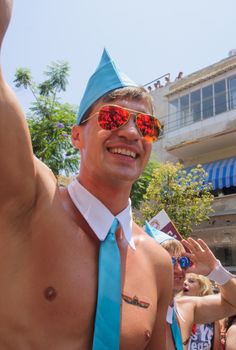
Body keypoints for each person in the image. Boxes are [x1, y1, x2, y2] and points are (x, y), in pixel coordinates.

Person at [0, 1, 173, 349]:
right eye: (111, 118)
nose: (131, 133)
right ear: (77, 136)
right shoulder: (32, 201)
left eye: (145, 125)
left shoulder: (158, 262)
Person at [145, 225, 236, 350]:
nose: (179, 269)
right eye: (170, 262)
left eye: (182, 261)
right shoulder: (137, 313)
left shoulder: (185, 307)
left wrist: (215, 270)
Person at [180, 273, 221, 349]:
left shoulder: (212, 319)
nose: (185, 282)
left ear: (202, 289)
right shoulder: (174, 313)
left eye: (191, 281)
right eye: (183, 279)